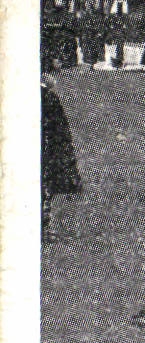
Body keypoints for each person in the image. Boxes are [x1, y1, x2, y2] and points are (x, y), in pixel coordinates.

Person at [41, 74, 82, 240]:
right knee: (44, 185)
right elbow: (59, 129)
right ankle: (42, 227)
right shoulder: (48, 97)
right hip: (46, 148)